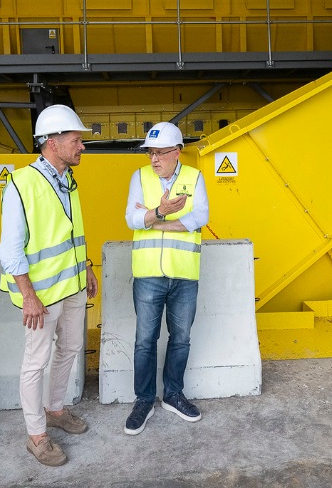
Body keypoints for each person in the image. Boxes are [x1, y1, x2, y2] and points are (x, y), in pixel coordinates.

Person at [0, 104, 98, 466]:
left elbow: (71, 232)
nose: (82, 146)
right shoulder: (21, 184)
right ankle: (36, 435)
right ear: (53, 143)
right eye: (76, 140)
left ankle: (55, 410)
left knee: (71, 348)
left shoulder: (68, 181)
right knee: (35, 362)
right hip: (40, 296)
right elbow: (9, 250)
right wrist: (28, 296)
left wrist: (85, 266)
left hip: (71, 286)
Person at [122, 121, 209, 436]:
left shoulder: (194, 177)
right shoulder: (140, 177)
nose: (154, 159)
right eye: (150, 153)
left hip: (184, 275)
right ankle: (143, 400)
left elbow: (201, 217)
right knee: (144, 341)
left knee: (180, 339)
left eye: (160, 153)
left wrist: (153, 221)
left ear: (178, 151)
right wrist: (159, 212)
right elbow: (131, 218)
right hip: (147, 275)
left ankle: (173, 395)